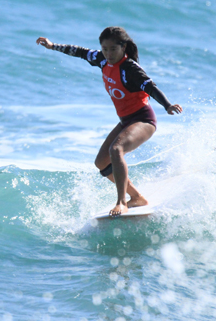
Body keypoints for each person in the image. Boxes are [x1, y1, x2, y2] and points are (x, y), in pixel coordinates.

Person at [36, 26, 183, 217]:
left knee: (116, 150)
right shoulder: (102, 60)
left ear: (124, 47)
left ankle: (122, 202)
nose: (108, 53)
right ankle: (137, 197)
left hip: (143, 120)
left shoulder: (129, 69)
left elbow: (151, 87)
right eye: (105, 49)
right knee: (101, 162)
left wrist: (167, 105)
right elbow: (80, 52)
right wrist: (52, 46)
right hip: (126, 121)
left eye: (113, 49)